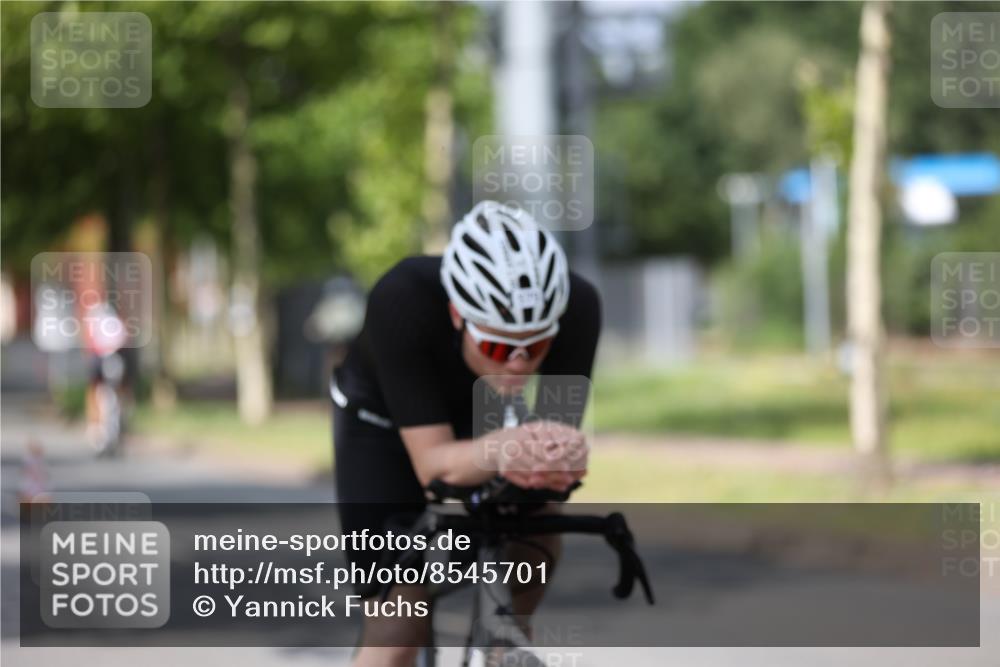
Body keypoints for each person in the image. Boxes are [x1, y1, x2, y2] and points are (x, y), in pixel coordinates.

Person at [332, 200, 601, 667]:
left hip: (483, 415)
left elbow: (551, 449)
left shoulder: (577, 307)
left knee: (537, 517)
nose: (518, 364)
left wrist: (558, 457)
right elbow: (433, 466)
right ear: (458, 316)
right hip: (382, 425)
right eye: (497, 346)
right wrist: (506, 448)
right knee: (397, 630)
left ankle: (504, 642)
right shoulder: (402, 299)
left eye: (537, 345)